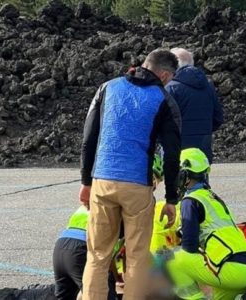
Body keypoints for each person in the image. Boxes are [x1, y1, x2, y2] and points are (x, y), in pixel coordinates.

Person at [79, 49, 182, 300]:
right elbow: (171, 154)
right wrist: (171, 198)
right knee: (137, 258)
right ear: (165, 74)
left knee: (97, 255)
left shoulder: (107, 87)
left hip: (103, 181)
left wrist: (86, 181)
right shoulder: (164, 99)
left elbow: (88, 137)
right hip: (137, 185)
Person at [164, 148, 246, 300]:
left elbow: (189, 248)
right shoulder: (214, 199)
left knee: (170, 259)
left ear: (185, 175)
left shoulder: (190, 201)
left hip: (230, 268)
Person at [166, 48, 224, 164]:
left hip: (176, 152)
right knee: (200, 179)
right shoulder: (208, 86)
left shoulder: (171, 88)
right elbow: (218, 118)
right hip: (202, 151)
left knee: (177, 181)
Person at [53, 206, 117, 300]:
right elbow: (107, 256)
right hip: (82, 249)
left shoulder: (88, 203)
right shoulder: (114, 208)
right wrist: (117, 279)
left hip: (60, 246)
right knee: (102, 294)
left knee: (66, 296)